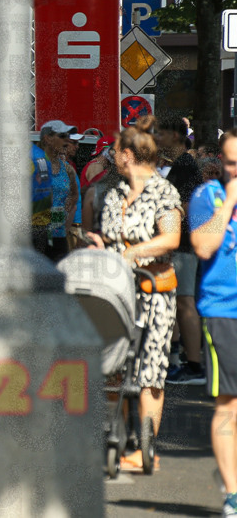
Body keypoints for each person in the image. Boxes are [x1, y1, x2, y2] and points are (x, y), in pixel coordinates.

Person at [88, 116, 181, 473]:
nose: (112, 157)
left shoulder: (163, 191)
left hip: (152, 290)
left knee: (150, 369)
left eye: (115, 152)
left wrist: (134, 252)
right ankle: (115, 433)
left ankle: (146, 446)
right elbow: (110, 237)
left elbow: (170, 238)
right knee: (114, 363)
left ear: (128, 155)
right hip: (117, 290)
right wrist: (100, 245)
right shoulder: (114, 193)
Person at [188, 128, 237, 516]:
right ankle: (232, 495)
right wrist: (229, 203)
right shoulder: (208, 196)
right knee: (229, 404)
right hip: (224, 312)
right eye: (232, 163)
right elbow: (204, 246)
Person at [158, 116, 206, 385]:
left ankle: (194, 365)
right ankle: (180, 360)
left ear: (175, 136)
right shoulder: (180, 164)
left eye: (162, 134)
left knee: (185, 302)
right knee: (179, 302)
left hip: (183, 244)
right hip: (180, 243)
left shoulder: (185, 165)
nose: (158, 139)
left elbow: (185, 207)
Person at [38, 120, 80, 262]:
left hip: (59, 237)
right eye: (62, 136)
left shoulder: (67, 169)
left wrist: (64, 216)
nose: (67, 141)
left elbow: (74, 194)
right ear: (47, 139)